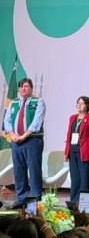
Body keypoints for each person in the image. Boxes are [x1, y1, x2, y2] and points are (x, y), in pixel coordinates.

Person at [2, 77, 46, 207]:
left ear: (31, 88)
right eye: (21, 87)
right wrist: (12, 135)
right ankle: (21, 199)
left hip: (32, 140)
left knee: (34, 170)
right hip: (16, 141)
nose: (23, 89)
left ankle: (35, 200)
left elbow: (37, 122)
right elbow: (7, 120)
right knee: (19, 170)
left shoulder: (38, 102)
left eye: (26, 86)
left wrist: (24, 136)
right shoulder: (14, 102)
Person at [64, 96, 89, 206]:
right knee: (75, 180)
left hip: (85, 153)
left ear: (87, 106)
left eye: (82, 103)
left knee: (84, 180)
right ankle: (73, 204)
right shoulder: (72, 118)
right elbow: (69, 135)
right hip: (73, 151)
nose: (79, 105)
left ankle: (84, 205)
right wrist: (66, 152)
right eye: (78, 103)